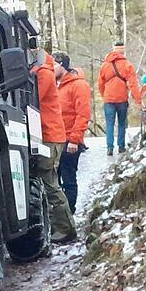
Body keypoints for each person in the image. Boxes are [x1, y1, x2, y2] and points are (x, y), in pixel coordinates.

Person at [31, 49, 78, 244]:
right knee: (49, 181)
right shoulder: (45, 71)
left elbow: (35, 100)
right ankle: (61, 226)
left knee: (49, 182)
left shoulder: (43, 73)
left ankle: (66, 228)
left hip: (50, 135)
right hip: (50, 134)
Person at [52, 51, 91, 213]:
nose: (51, 69)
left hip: (69, 140)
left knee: (68, 178)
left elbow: (83, 114)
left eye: (53, 65)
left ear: (62, 65)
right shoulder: (53, 86)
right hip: (55, 139)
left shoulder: (78, 85)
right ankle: (60, 216)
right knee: (55, 180)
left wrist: (75, 139)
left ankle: (69, 213)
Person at [96, 42, 143, 156]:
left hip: (108, 100)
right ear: (123, 52)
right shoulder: (127, 65)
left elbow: (100, 84)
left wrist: (104, 95)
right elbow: (133, 84)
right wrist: (138, 100)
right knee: (122, 123)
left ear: (113, 50)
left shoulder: (105, 66)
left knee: (109, 124)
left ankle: (110, 147)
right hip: (122, 99)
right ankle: (121, 146)